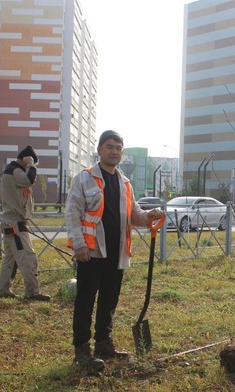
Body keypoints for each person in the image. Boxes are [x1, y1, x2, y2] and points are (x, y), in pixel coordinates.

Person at [65, 130, 164, 371]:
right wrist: (78, 245)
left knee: (109, 300)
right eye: (109, 146)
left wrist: (149, 215)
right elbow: (72, 213)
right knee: (86, 300)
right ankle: (81, 350)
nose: (114, 151)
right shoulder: (84, 178)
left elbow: (133, 214)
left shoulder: (125, 183)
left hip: (117, 252)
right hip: (92, 252)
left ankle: (103, 345)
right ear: (99, 150)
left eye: (118, 147)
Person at [0, 145, 52, 302]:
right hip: (16, 223)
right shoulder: (15, 170)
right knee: (28, 257)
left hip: (11, 222)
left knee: (11, 259)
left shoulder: (12, 170)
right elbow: (30, 179)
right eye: (31, 161)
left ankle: (3, 289)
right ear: (25, 159)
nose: (33, 167)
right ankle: (33, 292)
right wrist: (31, 164)